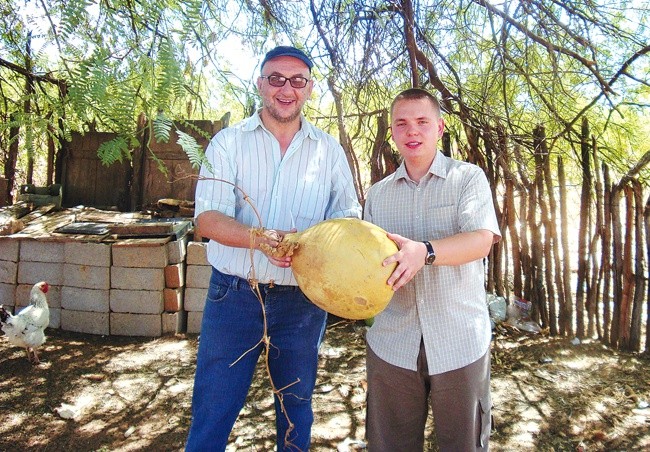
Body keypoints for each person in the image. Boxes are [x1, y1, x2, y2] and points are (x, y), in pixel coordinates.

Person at [186, 45, 361, 451]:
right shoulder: (228, 143)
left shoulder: (329, 151)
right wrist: (258, 239)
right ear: (261, 83)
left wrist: (319, 243)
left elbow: (347, 217)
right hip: (234, 295)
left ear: (310, 89)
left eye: (298, 80)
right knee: (214, 406)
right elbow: (207, 219)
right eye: (277, 78)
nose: (287, 88)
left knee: (296, 411)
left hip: (302, 301)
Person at [363, 88, 501, 451]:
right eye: (402, 123)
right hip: (392, 342)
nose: (412, 132)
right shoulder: (377, 195)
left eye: (422, 122)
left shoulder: (468, 179)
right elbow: (366, 265)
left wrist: (423, 252)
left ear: (439, 129)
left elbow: (482, 240)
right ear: (391, 132)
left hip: (459, 341)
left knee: (463, 444)